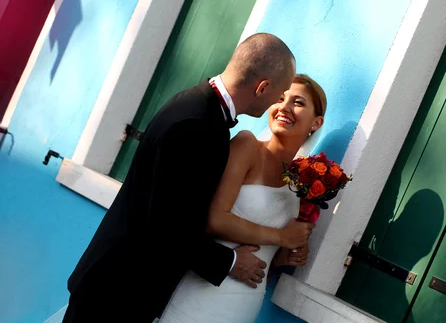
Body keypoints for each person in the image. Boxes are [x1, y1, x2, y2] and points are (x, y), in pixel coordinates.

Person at [63, 33, 305, 322]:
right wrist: (229, 261)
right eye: (277, 94)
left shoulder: (199, 110)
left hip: (122, 289)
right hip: (115, 291)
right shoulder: (194, 123)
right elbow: (166, 223)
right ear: (262, 87)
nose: (274, 104)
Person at [159, 73, 327, 323]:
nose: (284, 107)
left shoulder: (299, 181)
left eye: (298, 102)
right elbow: (214, 220)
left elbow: (266, 255)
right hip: (203, 295)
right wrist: (282, 236)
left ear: (316, 123)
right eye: (280, 98)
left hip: (245, 304)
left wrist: (286, 255)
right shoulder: (247, 145)